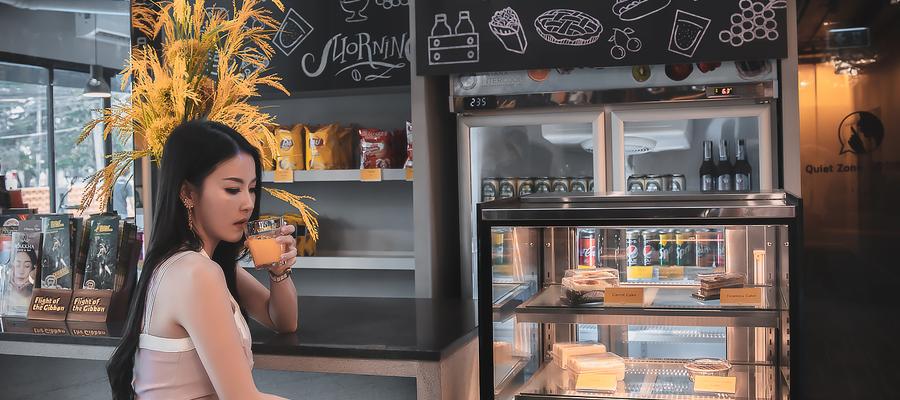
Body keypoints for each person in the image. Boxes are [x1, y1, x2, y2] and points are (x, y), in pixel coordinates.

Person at [107, 120, 299, 399]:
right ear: (188, 193)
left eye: (252, 188)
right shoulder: (197, 272)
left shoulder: (188, 263)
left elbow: (283, 322)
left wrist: (278, 272)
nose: (248, 203)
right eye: (232, 189)